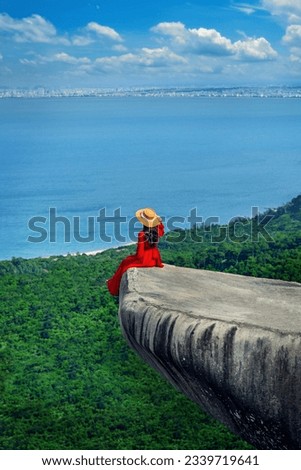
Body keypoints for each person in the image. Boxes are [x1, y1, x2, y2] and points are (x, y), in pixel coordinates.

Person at [106, 207, 164, 296]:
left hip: (145, 260)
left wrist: (133, 258)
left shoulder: (142, 234)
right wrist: (159, 222)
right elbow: (161, 230)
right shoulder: (156, 231)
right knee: (127, 261)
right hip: (155, 259)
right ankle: (113, 284)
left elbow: (140, 254)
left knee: (125, 263)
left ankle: (114, 287)